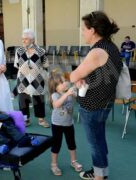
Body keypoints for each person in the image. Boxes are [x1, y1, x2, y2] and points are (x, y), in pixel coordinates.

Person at [70, 11, 122, 180]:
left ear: (92, 30)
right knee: (99, 139)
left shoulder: (97, 51)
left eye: (84, 29)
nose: (83, 33)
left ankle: (99, 176)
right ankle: (101, 171)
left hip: (93, 105)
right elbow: (102, 72)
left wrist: (79, 77)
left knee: (95, 143)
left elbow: (73, 76)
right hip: (105, 102)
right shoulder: (111, 46)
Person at [48, 71, 82, 176]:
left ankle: (74, 162)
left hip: (69, 123)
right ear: (56, 87)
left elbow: (79, 98)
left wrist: (77, 88)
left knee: (71, 143)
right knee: (56, 145)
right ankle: (53, 164)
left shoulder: (70, 92)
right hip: (57, 124)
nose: (65, 83)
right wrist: (67, 94)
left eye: (65, 81)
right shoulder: (55, 95)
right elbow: (56, 105)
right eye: (62, 82)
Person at [14, 29, 49, 128]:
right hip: (22, 78)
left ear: (32, 40)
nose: (23, 41)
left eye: (26, 39)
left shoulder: (41, 51)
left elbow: (45, 64)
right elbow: (17, 65)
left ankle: (41, 119)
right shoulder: (19, 51)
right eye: (22, 39)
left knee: (39, 97)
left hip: (37, 78)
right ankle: (26, 119)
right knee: (23, 98)